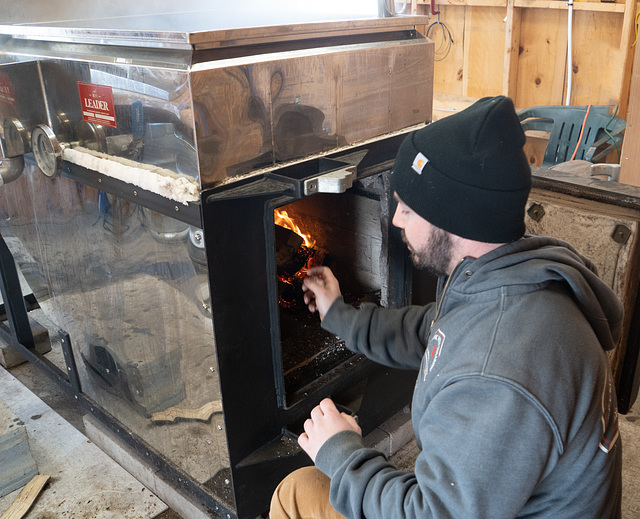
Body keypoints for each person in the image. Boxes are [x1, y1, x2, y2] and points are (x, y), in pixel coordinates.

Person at [269, 96, 623, 518]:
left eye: (408, 207)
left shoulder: (500, 373)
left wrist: (342, 454)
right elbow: (434, 331)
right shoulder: (509, 275)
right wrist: (338, 314)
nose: (396, 219)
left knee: (296, 492)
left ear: (455, 220)